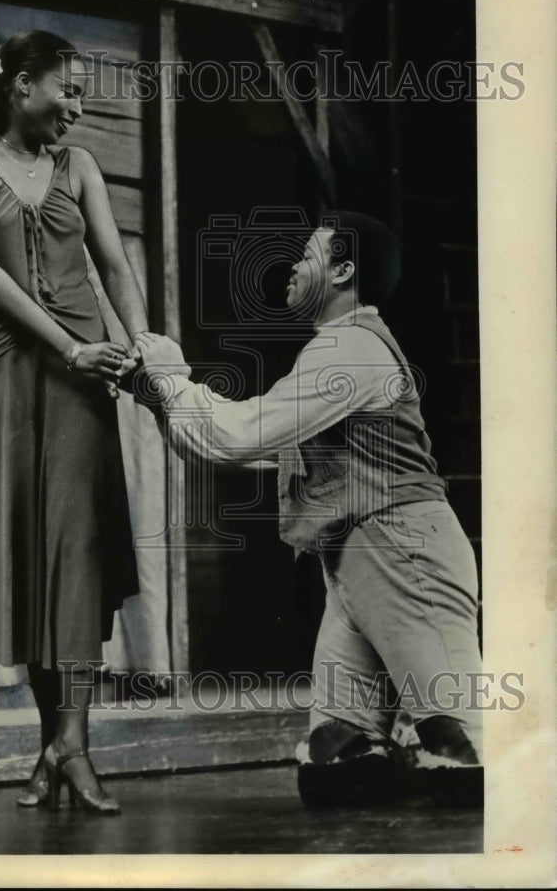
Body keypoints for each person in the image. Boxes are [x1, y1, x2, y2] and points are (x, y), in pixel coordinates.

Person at [135, 211, 482, 805]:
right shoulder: (334, 349)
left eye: (308, 255)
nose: (293, 267)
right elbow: (232, 450)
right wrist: (157, 390)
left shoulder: (351, 348)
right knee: (336, 761)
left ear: (344, 271)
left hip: (406, 553)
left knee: (466, 755)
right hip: (357, 565)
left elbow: (237, 435)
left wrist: (170, 374)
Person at [0, 30, 150, 815]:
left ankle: (74, 744)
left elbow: (115, 266)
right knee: (24, 553)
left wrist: (145, 351)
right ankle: (53, 744)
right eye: (70, 89)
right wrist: (73, 349)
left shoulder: (79, 167)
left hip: (81, 370)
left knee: (76, 552)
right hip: (0, 367)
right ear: (23, 85)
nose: (80, 108)